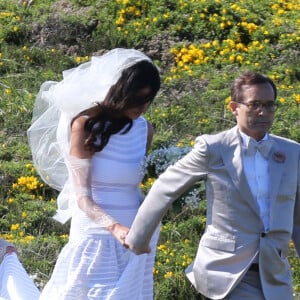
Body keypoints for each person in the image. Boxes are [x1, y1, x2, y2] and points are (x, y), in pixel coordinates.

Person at [125, 71, 300, 300]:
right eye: (255, 104)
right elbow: (165, 187)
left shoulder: (292, 152)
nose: (262, 112)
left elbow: (297, 217)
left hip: (275, 274)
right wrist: (138, 239)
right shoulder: (214, 148)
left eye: (269, 105)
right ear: (234, 107)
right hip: (226, 272)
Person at [27, 48, 161, 299]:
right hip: (96, 230)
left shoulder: (145, 129)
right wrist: (114, 227)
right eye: (137, 99)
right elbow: (83, 197)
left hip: (135, 234)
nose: (143, 107)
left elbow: (135, 184)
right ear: (121, 92)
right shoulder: (85, 125)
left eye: (149, 100)